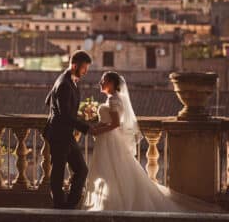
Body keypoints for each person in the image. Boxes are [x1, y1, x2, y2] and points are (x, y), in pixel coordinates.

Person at [83, 71, 221, 212]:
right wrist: (94, 127)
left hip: (109, 140)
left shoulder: (113, 100)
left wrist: (97, 131)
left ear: (112, 84)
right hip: (108, 140)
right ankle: (111, 202)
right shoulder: (114, 98)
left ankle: (113, 204)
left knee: (110, 172)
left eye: (104, 80)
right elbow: (108, 121)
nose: (101, 83)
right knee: (112, 172)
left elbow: (115, 124)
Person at [43, 50, 97, 209]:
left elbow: (49, 100)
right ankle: (61, 207)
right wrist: (87, 128)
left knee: (81, 170)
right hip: (60, 134)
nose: (85, 71)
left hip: (65, 134)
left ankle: (69, 206)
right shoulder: (64, 84)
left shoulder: (67, 80)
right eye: (84, 68)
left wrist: (77, 113)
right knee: (59, 172)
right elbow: (65, 114)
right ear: (75, 65)